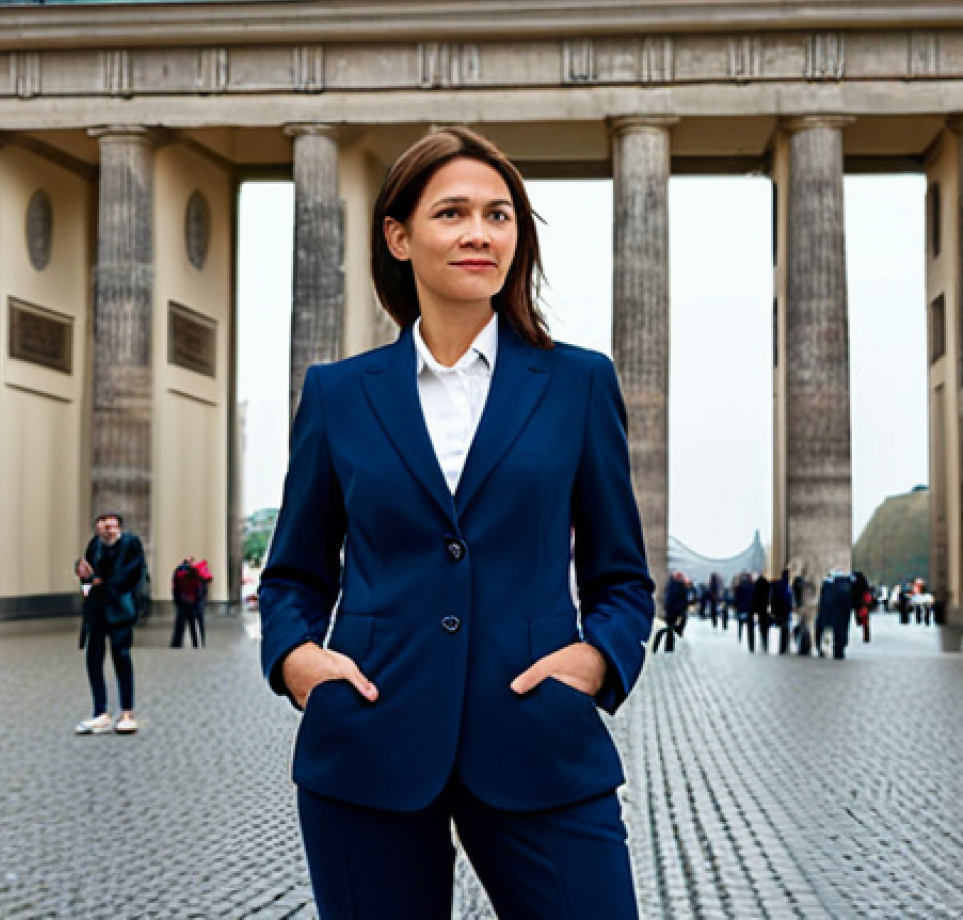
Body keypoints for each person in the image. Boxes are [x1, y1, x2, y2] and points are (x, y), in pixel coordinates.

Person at [258, 127, 655, 920]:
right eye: (452, 213)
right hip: (367, 746)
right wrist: (300, 663)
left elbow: (621, 577)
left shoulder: (578, 383)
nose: (480, 233)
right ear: (400, 237)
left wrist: (594, 663)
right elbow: (294, 574)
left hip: (538, 741)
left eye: (499, 215)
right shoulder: (339, 394)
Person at [74, 512, 147, 734]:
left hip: (120, 609)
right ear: (97, 529)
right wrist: (82, 572)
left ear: (119, 528)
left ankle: (126, 712)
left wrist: (103, 582)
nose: (108, 530)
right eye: (103, 526)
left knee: (121, 657)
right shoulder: (94, 545)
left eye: (112, 526)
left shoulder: (131, 544)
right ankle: (100, 712)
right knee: (94, 658)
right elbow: (87, 574)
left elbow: (135, 571)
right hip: (96, 610)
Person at [171, 556, 212, 648]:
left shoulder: (180, 574)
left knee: (182, 624)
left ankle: (177, 644)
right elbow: (203, 589)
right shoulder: (198, 575)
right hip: (194, 603)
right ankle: (198, 643)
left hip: (186, 602)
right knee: (195, 623)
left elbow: (176, 587)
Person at [815, 571, 854, 659]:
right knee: (841, 632)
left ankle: (820, 647)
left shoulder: (829, 586)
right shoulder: (847, 586)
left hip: (829, 613)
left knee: (822, 629)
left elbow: (824, 601)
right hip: (842, 615)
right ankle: (839, 651)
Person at [652, 572, 690, 653]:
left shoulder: (675, 585)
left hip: (673, 611)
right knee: (670, 630)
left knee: (670, 629)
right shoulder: (678, 585)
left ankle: (668, 646)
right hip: (674, 610)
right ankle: (669, 646)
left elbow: (672, 598)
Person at [771, 568, 794, 654]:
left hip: (783, 610)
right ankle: (783, 647)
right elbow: (784, 598)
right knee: (784, 628)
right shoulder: (784, 585)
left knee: (784, 629)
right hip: (784, 610)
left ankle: (783, 647)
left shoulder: (782, 585)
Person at [751, 572, 772, 653]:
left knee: (762, 624)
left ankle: (763, 640)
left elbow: (754, 596)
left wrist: (754, 608)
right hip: (765, 607)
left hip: (760, 608)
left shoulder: (757, 584)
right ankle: (765, 640)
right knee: (765, 625)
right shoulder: (768, 584)